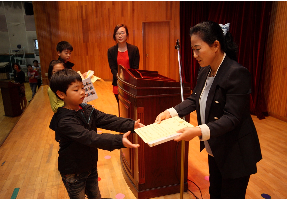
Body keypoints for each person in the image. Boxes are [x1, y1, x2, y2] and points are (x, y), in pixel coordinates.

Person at [155, 21, 262, 199]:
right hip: (216, 148)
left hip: (236, 153)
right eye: (192, 50)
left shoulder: (236, 73)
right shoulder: (205, 71)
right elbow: (194, 99)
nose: (195, 55)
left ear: (215, 46)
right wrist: (171, 112)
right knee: (215, 193)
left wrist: (196, 131)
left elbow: (232, 118)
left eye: (198, 49)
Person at [49, 69, 144, 199]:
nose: (82, 92)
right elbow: (90, 138)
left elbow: (107, 119)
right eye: (76, 90)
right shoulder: (64, 120)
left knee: (96, 196)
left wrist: (132, 125)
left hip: (90, 165)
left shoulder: (85, 109)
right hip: (73, 171)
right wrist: (119, 140)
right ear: (61, 94)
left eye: (82, 87)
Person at [107, 24, 140, 103]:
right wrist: (120, 78)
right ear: (115, 36)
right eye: (117, 33)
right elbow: (113, 68)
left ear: (127, 35)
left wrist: (128, 79)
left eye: (122, 33)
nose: (120, 35)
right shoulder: (111, 51)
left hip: (131, 83)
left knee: (131, 106)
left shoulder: (134, 49)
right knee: (121, 107)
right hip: (118, 83)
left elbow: (135, 67)